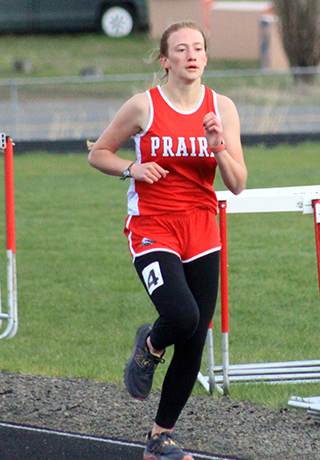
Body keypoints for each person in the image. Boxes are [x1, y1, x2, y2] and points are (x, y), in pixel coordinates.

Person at [88, 21, 247, 460]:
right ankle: (151, 344)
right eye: (181, 49)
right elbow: (97, 153)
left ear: (206, 57)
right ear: (166, 60)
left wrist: (217, 148)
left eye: (198, 48)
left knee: (195, 337)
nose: (192, 55)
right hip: (153, 227)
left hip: (202, 230)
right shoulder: (144, 106)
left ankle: (160, 439)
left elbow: (238, 184)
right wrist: (131, 168)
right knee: (180, 315)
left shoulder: (222, 107)